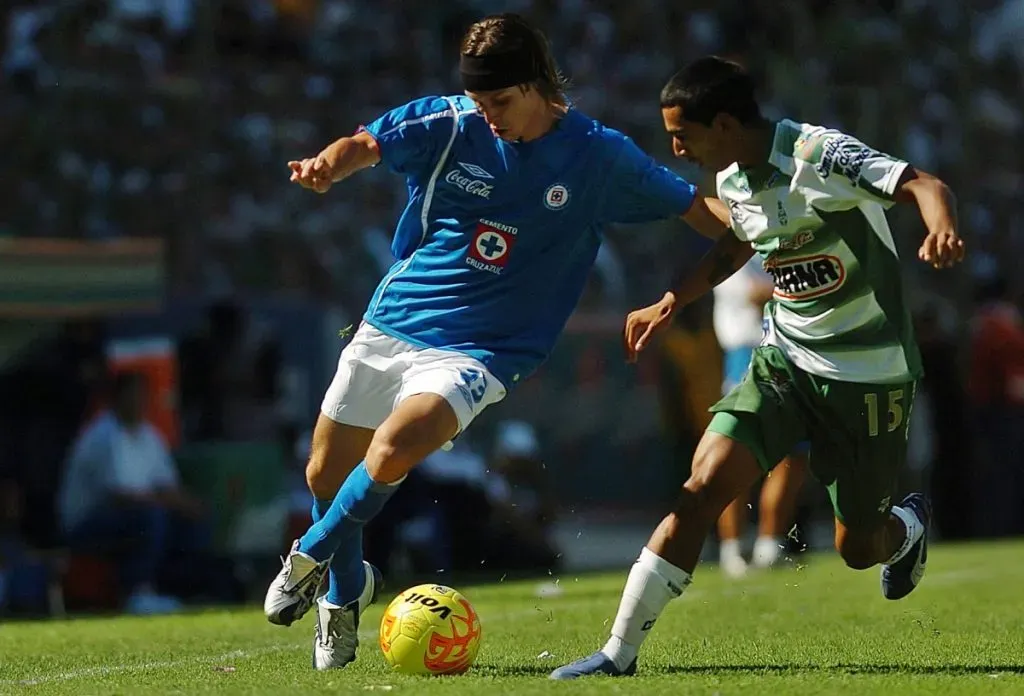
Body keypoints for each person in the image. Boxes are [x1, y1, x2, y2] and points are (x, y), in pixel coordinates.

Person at [262, 14, 729, 671]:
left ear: (537, 85)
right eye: (481, 104)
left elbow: (696, 209)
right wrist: (325, 169)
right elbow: (364, 143)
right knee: (323, 472)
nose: (490, 118)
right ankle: (343, 597)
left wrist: (775, 231)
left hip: (488, 345)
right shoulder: (449, 123)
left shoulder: (598, 154)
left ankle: (309, 555)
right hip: (395, 319)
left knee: (398, 443)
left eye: (501, 103)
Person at [551, 56, 965, 679]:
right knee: (701, 489)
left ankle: (904, 527)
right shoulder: (734, 182)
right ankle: (618, 653)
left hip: (869, 375)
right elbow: (734, 244)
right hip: (784, 364)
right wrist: (672, 301)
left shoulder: (818, 155)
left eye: (681, 134)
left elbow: (925, 185)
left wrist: (940, 228)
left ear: (723, 123)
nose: (676, 148)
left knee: (859, 548)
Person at [58, 371, 209, 615]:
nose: (140, 401)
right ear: (117, 398)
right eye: (133, 395)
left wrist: (192, 506)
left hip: (133, 513)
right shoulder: (103, 436)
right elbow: (121, 497)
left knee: (191, 519)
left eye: (143, 395)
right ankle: (137, 593)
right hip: (83, 525)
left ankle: (184, 591)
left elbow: (167, 486)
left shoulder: (149, 435)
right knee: (151, 517)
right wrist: (170, 502)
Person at [711, 257, 807, 577]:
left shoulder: (775, 243)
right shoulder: (733, 250)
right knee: (737, 455)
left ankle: (769, 546)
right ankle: (732, 549)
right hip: (747, 355)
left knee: (792, 456)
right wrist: (805, 286)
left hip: (787, 354)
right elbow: (755, 293)